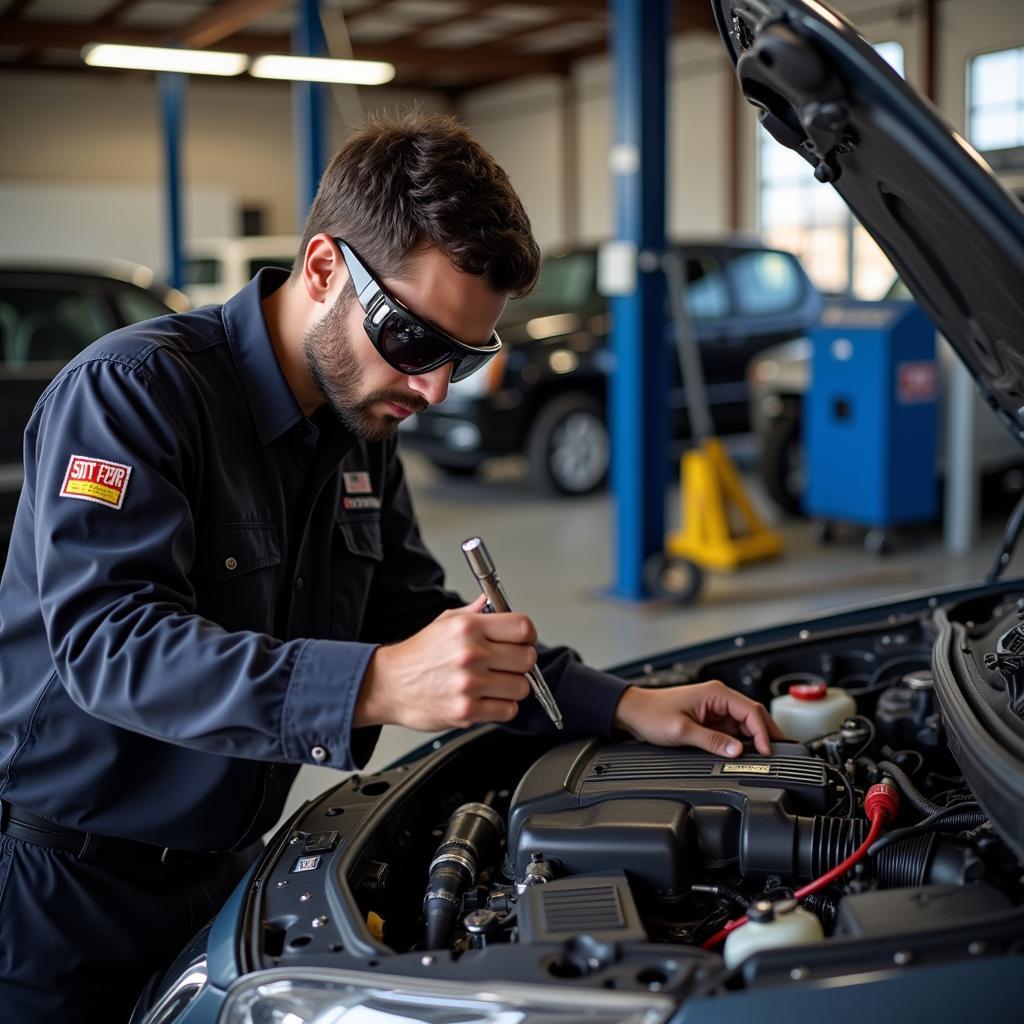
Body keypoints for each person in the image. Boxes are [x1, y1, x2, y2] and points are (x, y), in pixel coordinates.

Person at [0, 112, 780, 1021]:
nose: (434, 389)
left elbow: (420, 616)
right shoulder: (135, 392)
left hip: (225, 879)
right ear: (326, 267)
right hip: (61, 893)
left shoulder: (359, 430)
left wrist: (625, 705)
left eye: (463, 355)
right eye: (414, 341)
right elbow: (110, 646)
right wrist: (370, 683)